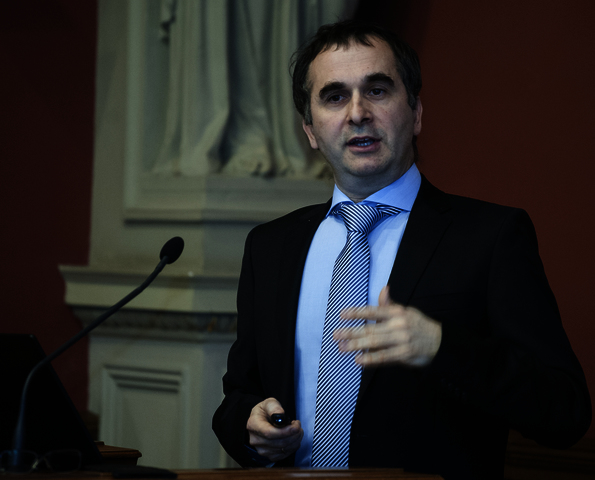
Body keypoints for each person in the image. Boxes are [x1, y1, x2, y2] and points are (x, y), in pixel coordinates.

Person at [212, 21, 591, 479]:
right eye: (335, 97)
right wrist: (251, 427)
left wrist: (441, 347)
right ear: (310, 130)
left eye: (377, 90)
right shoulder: (270, 247)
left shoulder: (490, 237)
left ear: (416, 113)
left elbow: (564, 410)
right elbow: (238, 396)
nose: (357, 113)